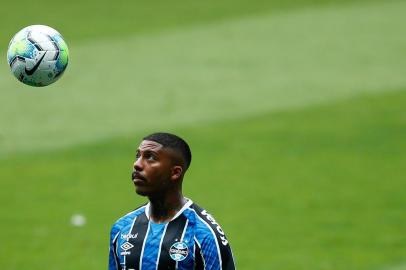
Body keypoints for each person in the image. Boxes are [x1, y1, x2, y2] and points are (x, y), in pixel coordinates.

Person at [109, 132, 236, 270]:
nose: (137, 164)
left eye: (150, 157)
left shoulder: (203, 234)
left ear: (175, 172)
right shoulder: (122, 228)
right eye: (138, 156)